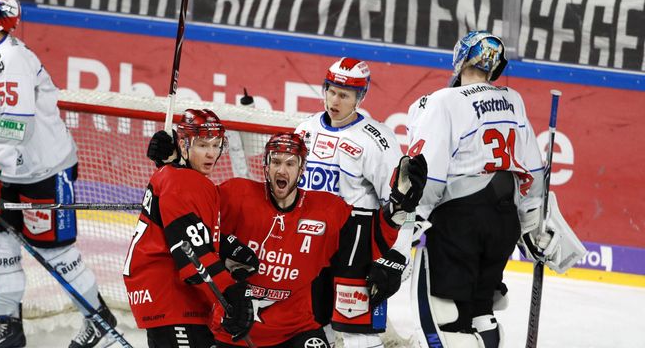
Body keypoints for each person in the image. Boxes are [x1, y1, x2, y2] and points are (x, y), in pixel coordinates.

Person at [0, 0, 117, 348]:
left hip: (43, 171)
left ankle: (100, 322)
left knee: (56, 253)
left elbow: (20, 126)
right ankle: (10, 329)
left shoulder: (14, 59)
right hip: (4, 173)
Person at [405, 31, 554, 347]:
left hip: (460, 218)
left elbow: (429, 170)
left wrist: (413, 220)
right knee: (481, 309)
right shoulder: (513, 99)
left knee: (447, 316)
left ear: (460, 58)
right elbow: (533, 168)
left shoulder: (443, 100)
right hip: (503, 220)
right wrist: (530, 219)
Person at [213, 132, 426, 347]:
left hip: (296, 329)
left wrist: (398, 207)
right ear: (265, 166)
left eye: (290, 163)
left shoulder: (326, 210)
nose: (282, 170)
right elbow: (192, 216)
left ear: (302, 168)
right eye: (275, 161)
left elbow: (368, 233)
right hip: (234, 328)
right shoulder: (236, 195)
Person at [294, 57, 407, 348]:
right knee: (314, 327)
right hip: (310, 240)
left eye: (344, 95)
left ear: (360, 96)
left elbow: (401, 204)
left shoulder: (377, 140)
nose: (335, 99)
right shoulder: (305, 130)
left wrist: (394, 258)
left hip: (356, 242)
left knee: (359, 333)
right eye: (331, 90)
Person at [124, 109, 255, 348]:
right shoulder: (184, 182)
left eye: (216, 145)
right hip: (174, 299)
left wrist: (223, 244)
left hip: (163, 297)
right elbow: (191, 255)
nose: (211, 154)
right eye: (203, 145)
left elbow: (184, 232)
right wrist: (229, 292)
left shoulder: (173, 174)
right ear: (184, 145)